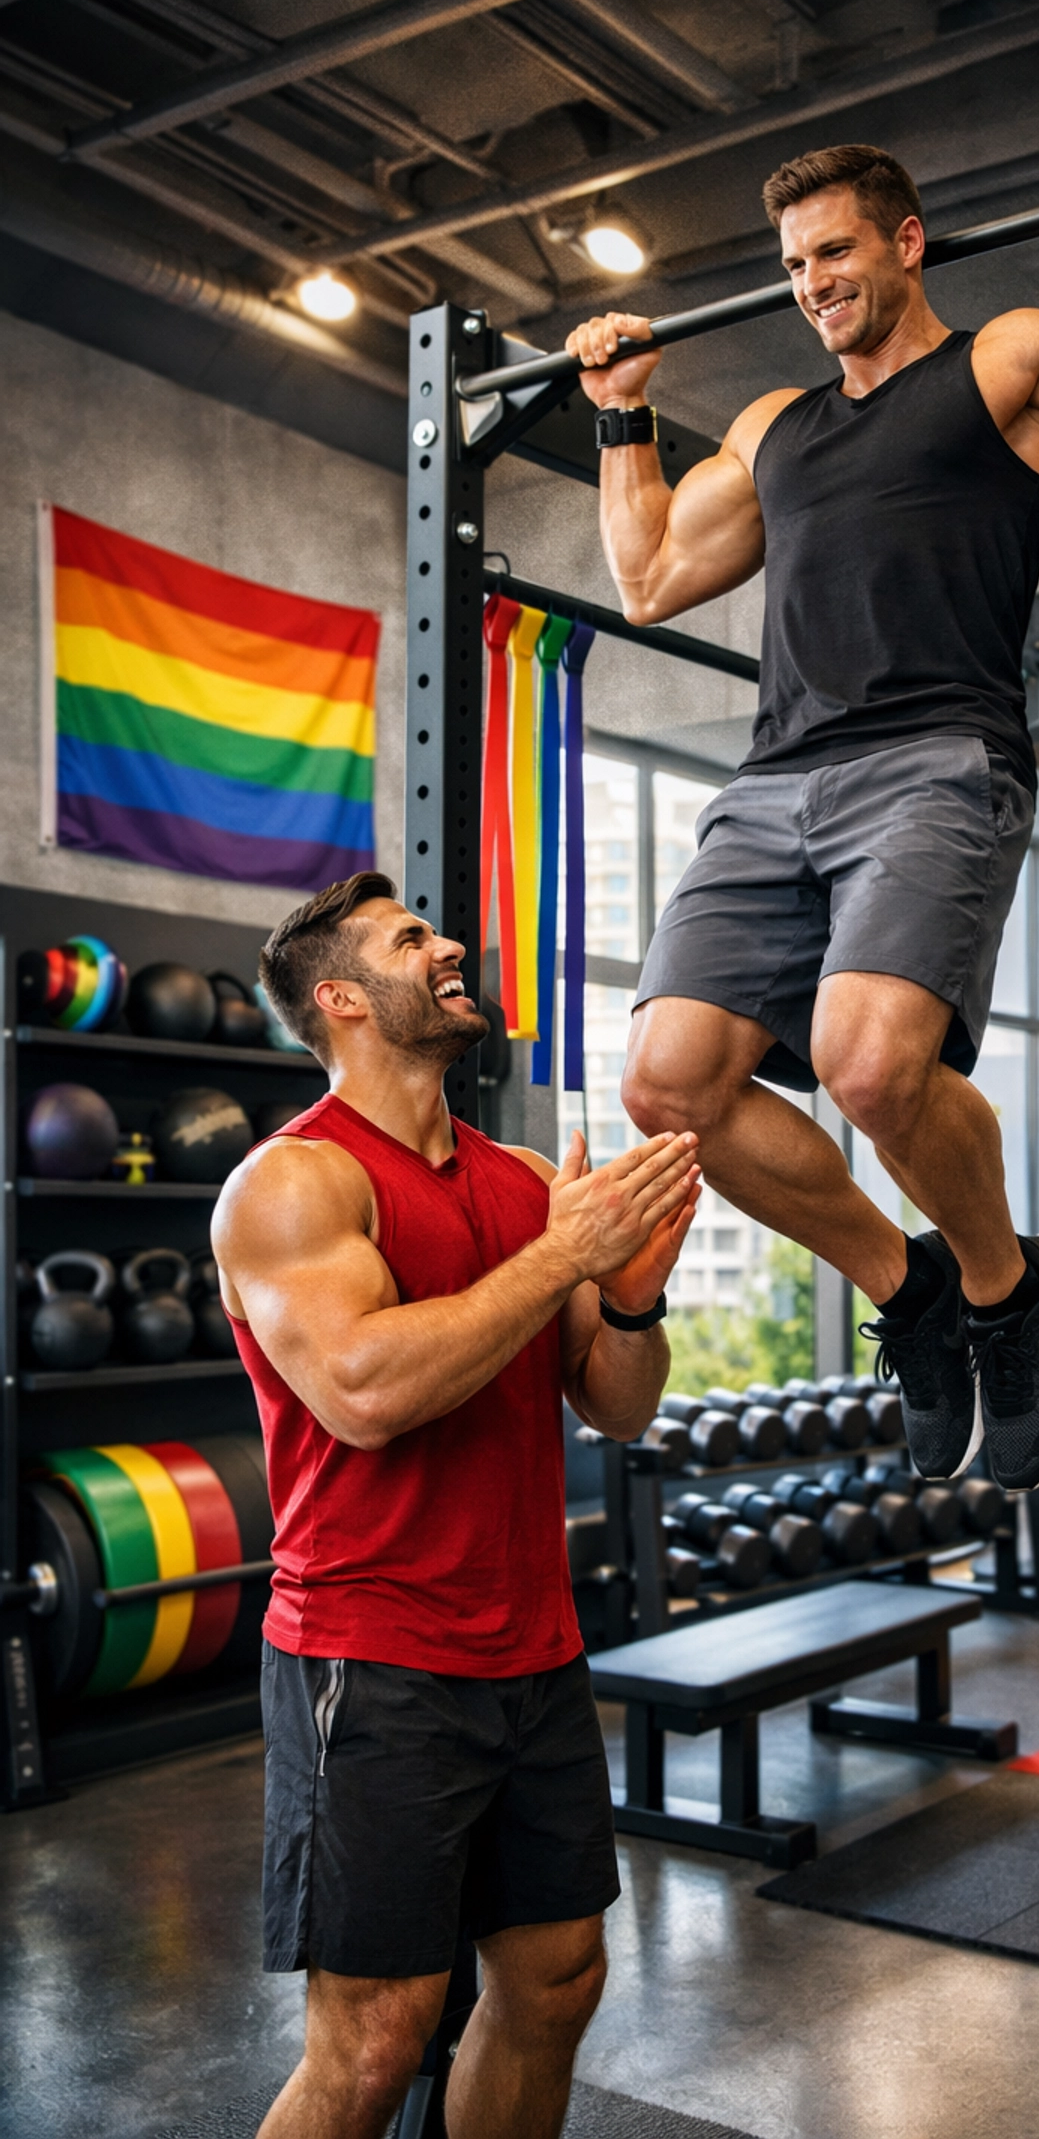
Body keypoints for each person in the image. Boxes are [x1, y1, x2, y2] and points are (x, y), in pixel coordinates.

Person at [566, 138, 1039, 1493]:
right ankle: (917, 1293)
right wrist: (621, 413)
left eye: (835, 251)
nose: (813, 282)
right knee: (665, 1086)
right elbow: (649, 575)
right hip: (775, 783)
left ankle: (1010, 1294)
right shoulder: (776, 426)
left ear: (906, 241)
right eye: (792, 265)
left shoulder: (1011, 360)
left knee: (870, 1065)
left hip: (939, 758)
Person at [211, 871, 700, 2139]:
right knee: (376, 2039)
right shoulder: (294, 1186)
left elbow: (619, 1403)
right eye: (408, 939)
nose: (447, 948)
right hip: (373, 1661)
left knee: (555, 1981)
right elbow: (365, 1391)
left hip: (532, 1650)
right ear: (340, 999)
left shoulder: (528, 1179)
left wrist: (632, 1295)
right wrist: (562, 1257)